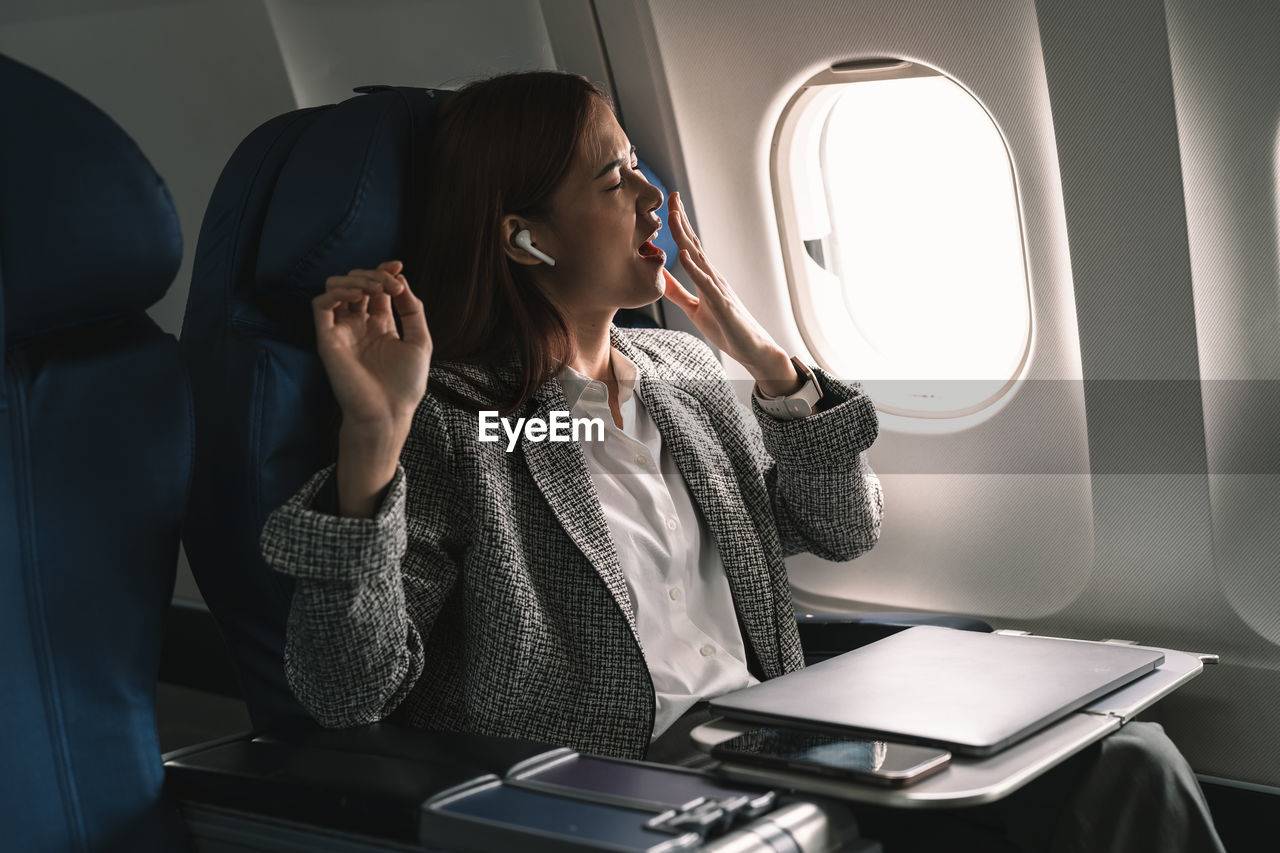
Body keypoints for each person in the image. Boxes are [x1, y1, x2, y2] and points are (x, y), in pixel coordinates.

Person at [259, 71, 1224, 852]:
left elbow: (844, 528)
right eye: (614, 180)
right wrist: (372, 440)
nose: (653, 198)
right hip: (622, 786)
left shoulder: (679, 374)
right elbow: (349, 689)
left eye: (639, 167)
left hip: (775, 742)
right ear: (523, 235)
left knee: (1130, 759)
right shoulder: (459, 427)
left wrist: (768, 364)